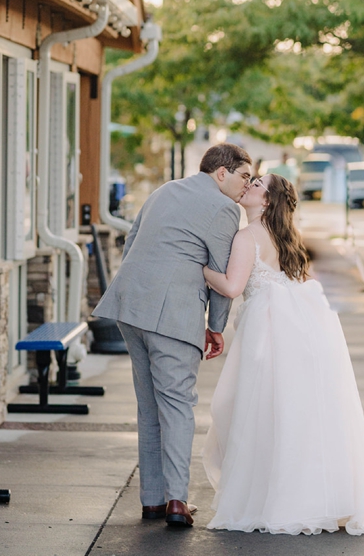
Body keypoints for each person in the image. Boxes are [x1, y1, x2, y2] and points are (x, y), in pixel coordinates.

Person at [201, 174, 364, 535]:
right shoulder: (283, 236)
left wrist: (199, 267)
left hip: (269, 335)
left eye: (257, 183)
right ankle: (310, 496)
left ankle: (272, 499)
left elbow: (231, 286)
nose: (250, 185)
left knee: (259, 411)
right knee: (294, 414)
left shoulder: (247, 237)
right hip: (296, 334)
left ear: (267, 201)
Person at [93, 142, 248, 528]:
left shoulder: (165, 189)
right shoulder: (225, 208)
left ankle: (152, 500)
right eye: (244, 176)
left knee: (150, 406)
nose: (247, 185)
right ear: (222, 172)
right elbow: (220, 270)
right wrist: (215, 327)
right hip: (172, 315)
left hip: (130, 306)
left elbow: (130, 244)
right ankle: (177, 500)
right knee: (177, 405)